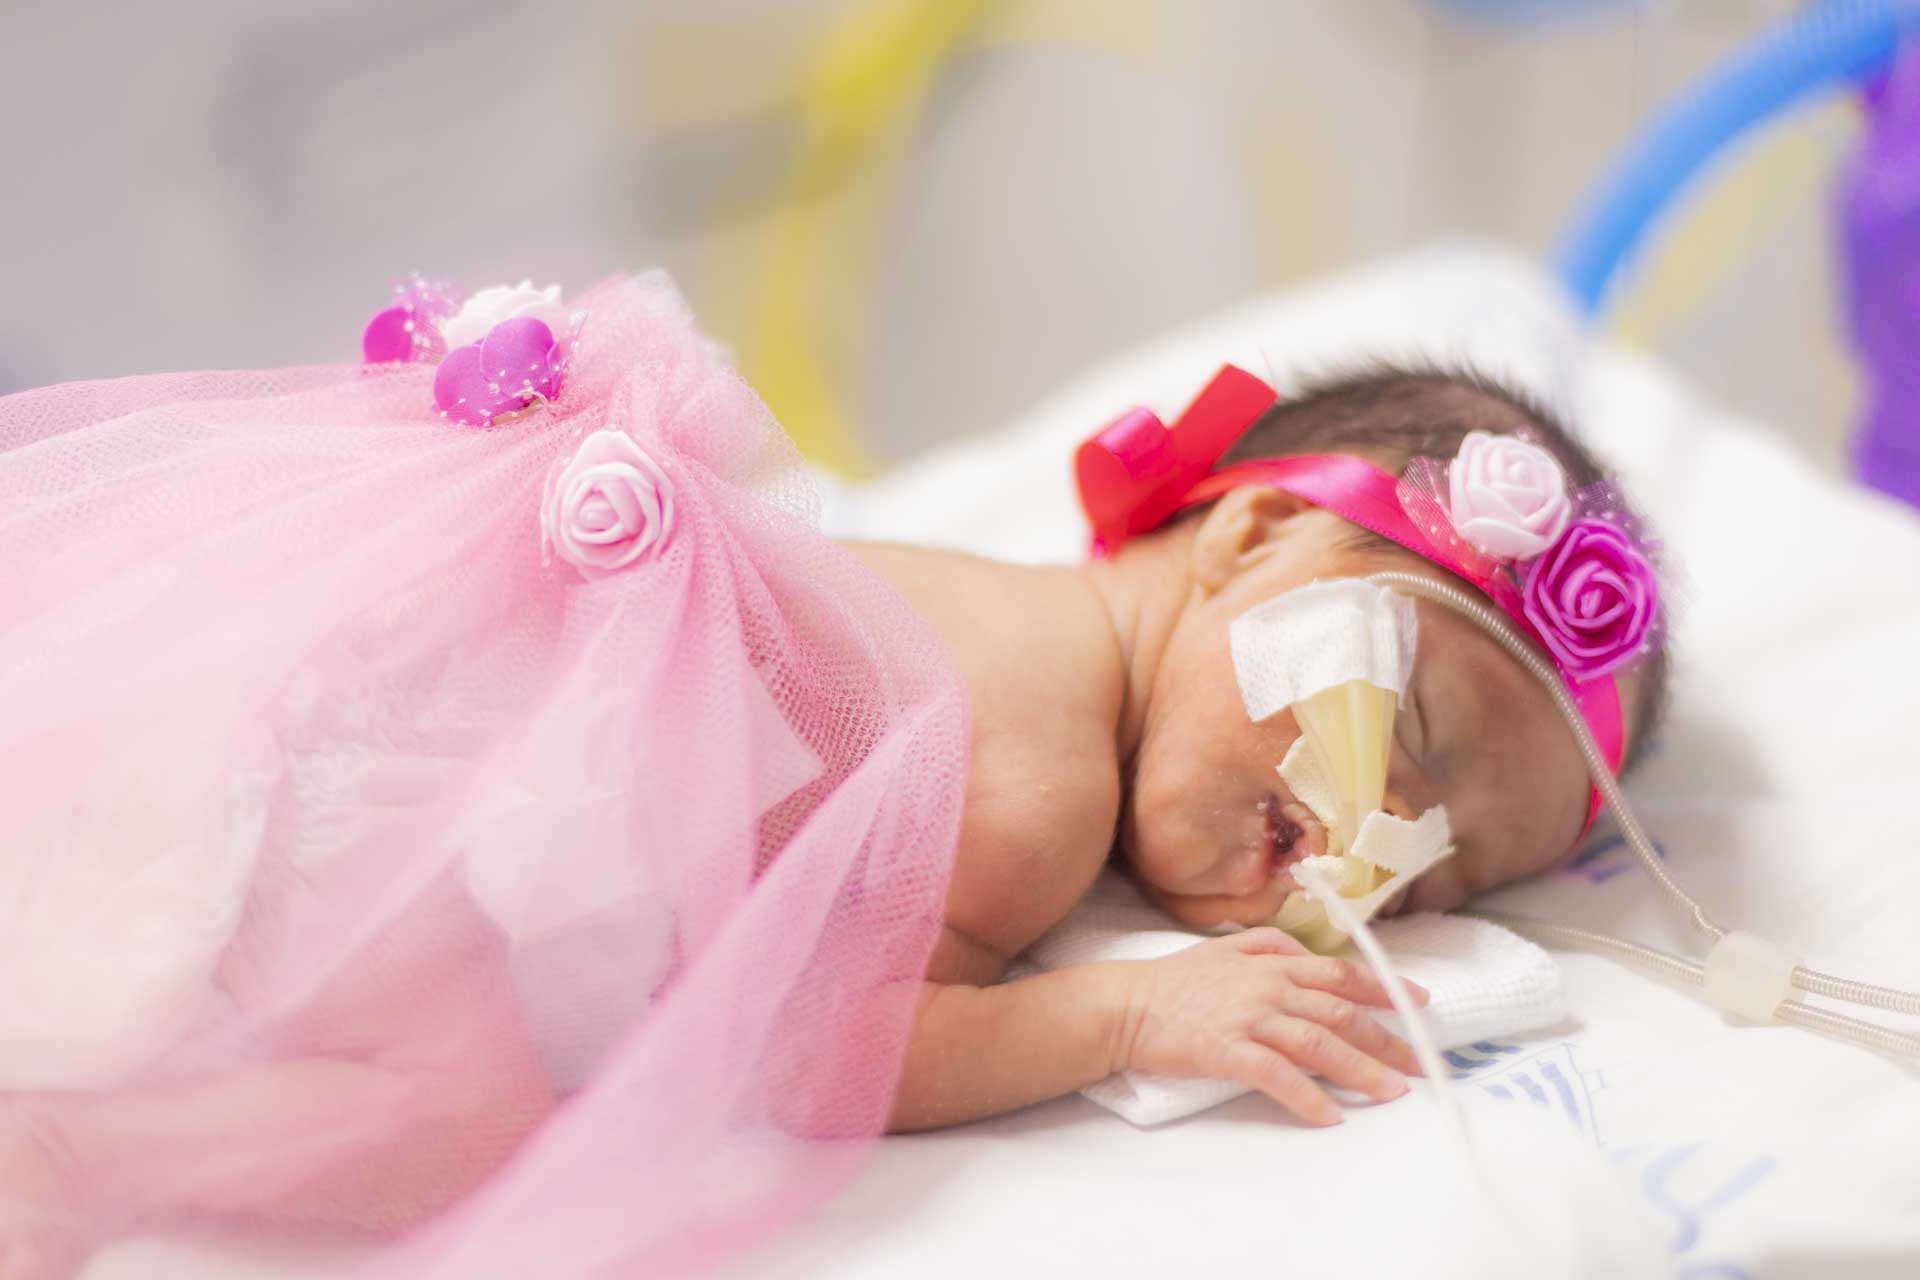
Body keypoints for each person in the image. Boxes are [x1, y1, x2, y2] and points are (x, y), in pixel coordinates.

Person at [0, 273, 1667, 1277]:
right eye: (1407, 735)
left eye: (1448, 874)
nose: (1385, 841)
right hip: (434, 827)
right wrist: (1125, 1015)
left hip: (324, 699)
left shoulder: (973, 597)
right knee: (479, 1122)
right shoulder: (1039, 787)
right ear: (1247, 540)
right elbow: (814, 1049)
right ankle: (74, 1161)